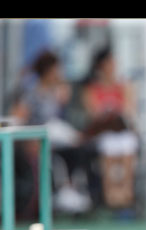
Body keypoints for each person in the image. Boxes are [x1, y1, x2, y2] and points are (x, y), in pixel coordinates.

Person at [11, 49, 94, 215]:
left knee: (78, 148)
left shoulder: (56, 92)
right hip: (37, 136)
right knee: (58, 132)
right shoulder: (31, 92)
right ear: (47, 70)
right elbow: (17, 117)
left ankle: (70, 191)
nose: (58, 73)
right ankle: (61, 193)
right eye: (56, 69)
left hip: (55, 139)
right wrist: (29, 139)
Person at [81, 46, 139, 209]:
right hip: (103, 132)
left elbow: (129, 110)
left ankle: (126, 192)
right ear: (102, 65)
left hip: (121, 131)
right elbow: (94, 113)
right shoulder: (92, 88)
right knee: (108, 145)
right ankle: (110, 194)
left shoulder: (123, 85)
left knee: (127, 144)